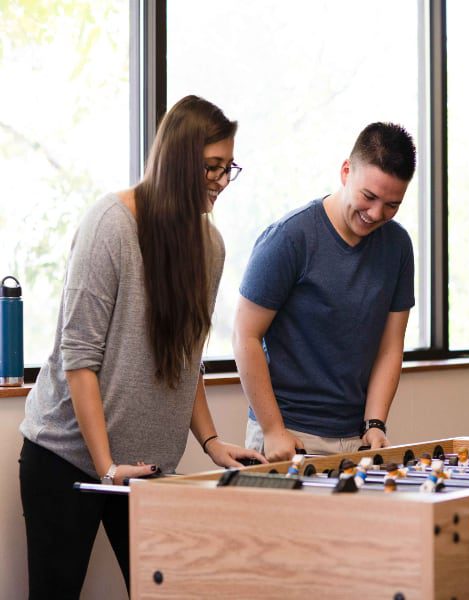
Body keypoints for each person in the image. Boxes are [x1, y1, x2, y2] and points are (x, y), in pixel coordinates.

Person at [18, 95, 266, 599]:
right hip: (67, 458)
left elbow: (186, 359)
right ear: (177, 161)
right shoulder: (110, 224)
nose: (222, 180)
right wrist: (107, 468)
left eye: (228, 167)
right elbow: (79, 359)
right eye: (211, 167)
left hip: (149, 467)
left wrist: (212, 442)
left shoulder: (210, 247)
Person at [233, 122, 416, 461]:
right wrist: (273, 430)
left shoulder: (398, 246)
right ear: (346, 171)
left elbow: (391, 346)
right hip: (288, 434)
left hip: (356, 436)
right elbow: (245, 335)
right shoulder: (290, 238)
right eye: (369, 197)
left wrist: (375, 423)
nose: (376, 214)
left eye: (392, 204)